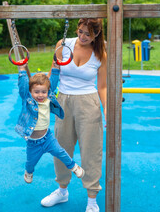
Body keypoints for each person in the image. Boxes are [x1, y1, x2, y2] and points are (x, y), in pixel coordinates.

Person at [41, 18, 107, 212]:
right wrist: (42, 98)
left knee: (91, 151)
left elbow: (102, 86)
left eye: (88, 34)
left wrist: (107, 112)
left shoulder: (101, 51)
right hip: (63, 101)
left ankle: (92, 199)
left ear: (96, 34)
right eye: (80, 32)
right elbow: (52, 74)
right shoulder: (64, 44)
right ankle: (62, 191)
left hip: (89, 102)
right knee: (61, 148)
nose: (83, 37)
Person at [15, 63, 85, 184]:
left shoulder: (48, 98)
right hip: (33, 142)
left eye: (43, 92)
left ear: (48, 92)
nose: (40, 95)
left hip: (47, 138)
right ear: (30, 92)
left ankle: (73, 166)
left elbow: (53, 82)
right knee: (30, 162)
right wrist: (22, 70)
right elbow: (23, 87)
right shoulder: (28, 100)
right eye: (36, 92)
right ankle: (29, 171)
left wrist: (56, 68)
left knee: (60, 152)